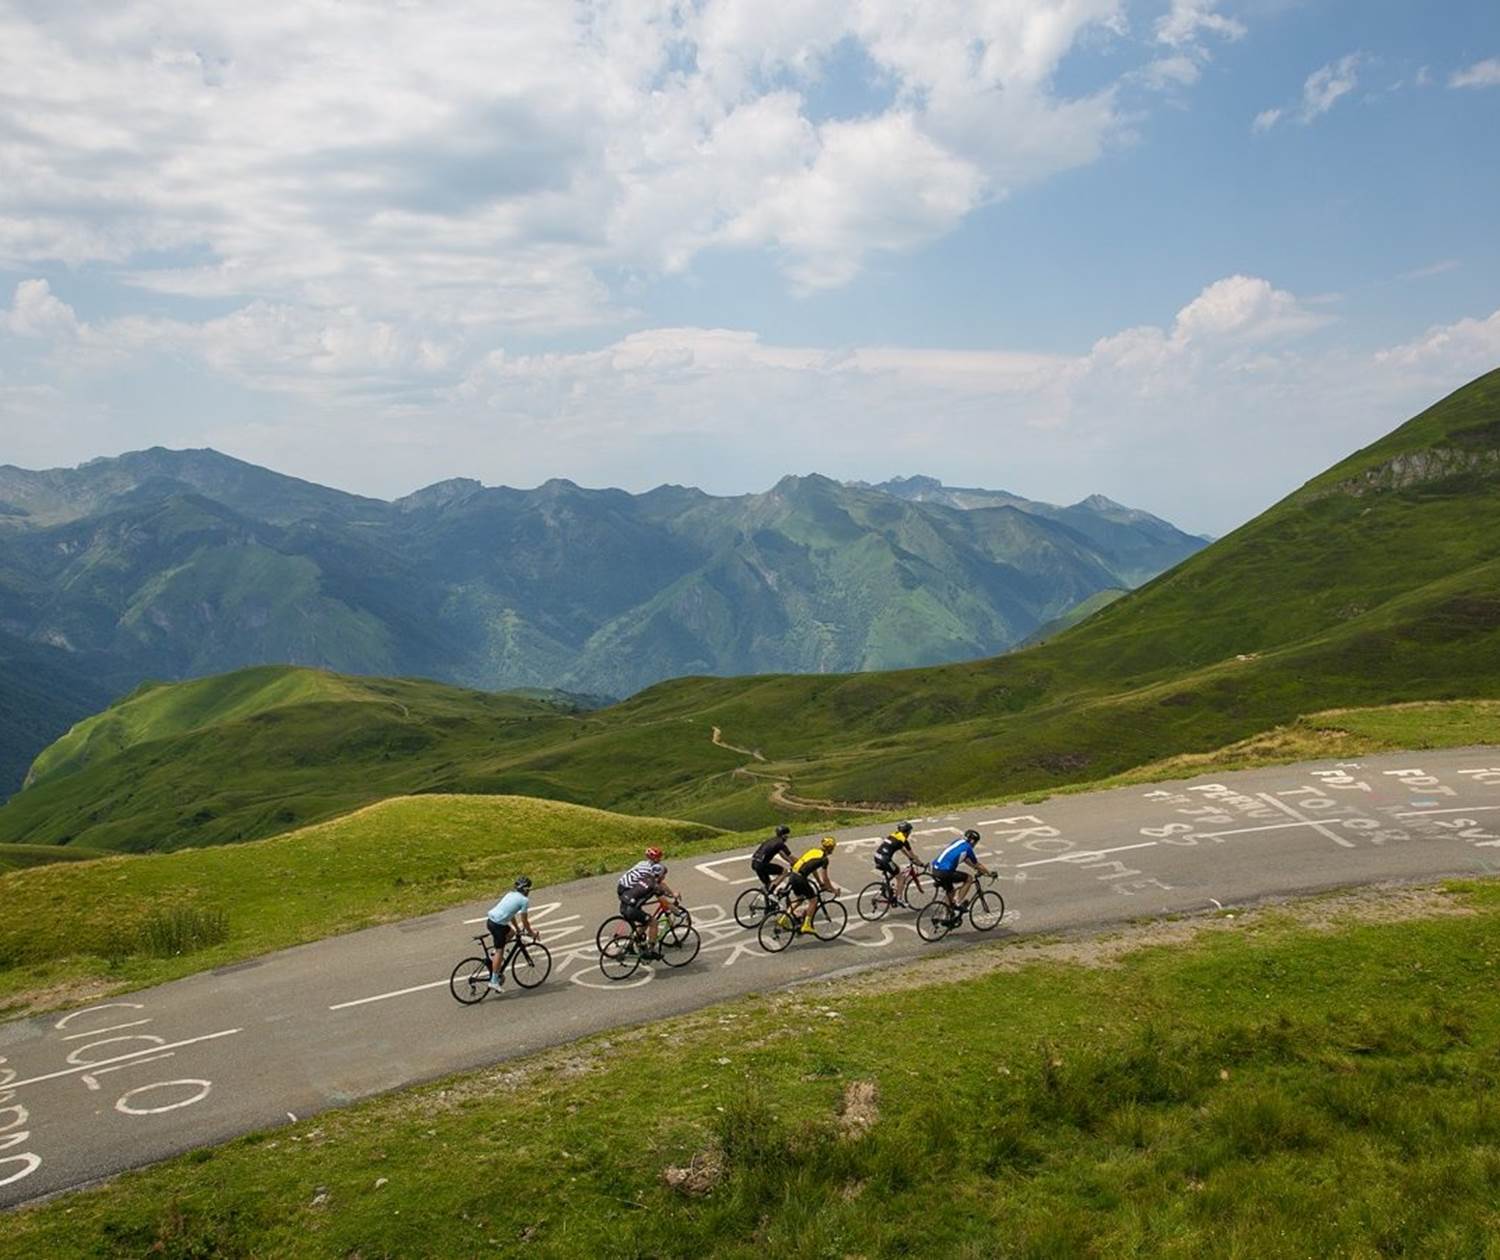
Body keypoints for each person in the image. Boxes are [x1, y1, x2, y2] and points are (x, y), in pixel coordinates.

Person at [616, 846, 680, 958]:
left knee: (644, 919)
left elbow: (657, 884)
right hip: (628, 893)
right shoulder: (651, 876)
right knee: (652, 921)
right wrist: (676, 910)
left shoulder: (643, 865)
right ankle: (650, 950)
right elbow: (662, 893)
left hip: (625, 895)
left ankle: (634, 943)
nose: (660, 859)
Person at [484, 875, 538, 992]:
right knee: (500, 951)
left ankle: (494, 955)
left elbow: (511, 914)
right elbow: (525, 921)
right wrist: (532, 933)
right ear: (525, 890)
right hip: (498, 925)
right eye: (529, 890)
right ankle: (494, 981)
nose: (529, 892)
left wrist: (517, 929)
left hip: (491, 921)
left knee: (511, 933)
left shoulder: (510, 894)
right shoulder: (524, 900)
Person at [930, 829, 992, 919]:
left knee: (950, 891)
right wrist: (989, 873)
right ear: (972, 841)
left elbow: (965, 859)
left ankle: (948, 914)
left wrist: (975, 868)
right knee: (969, 878)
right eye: (975, 843)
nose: (975, 845)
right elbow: (977, 864)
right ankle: (958, 903)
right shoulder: (968, 848)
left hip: (935, 869)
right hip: (945, 872)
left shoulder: (958, 842)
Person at [787, 836, 840, 934]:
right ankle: (806, 925)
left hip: (793, 875)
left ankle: (783, 919)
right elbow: (825, 879)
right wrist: (834, 890)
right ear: (830, 848)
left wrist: (819, 882)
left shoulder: (814, 851)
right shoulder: (824, 859)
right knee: (814, 900)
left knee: (800, 899)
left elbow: (812, 868)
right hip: (800, 878)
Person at [872, 821, 919, 905]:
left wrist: (909, 857)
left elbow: (902, 849)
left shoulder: (894, 835)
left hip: (877, 857)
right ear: (907, 832)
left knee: (895, 870)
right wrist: (920, 863)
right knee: (901, 877)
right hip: (885, 860)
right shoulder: (903, 840)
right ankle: (899, 899)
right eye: (909, 832)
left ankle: (886, 888)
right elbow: (912, 854)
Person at [750, 824, 794, 894]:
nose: (788, 837)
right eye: (787, 835)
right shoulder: (780, 843)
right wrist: (798, 862)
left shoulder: (771, 840)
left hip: (755, 863)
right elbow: (790, 856)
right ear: (784, 835)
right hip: (762, 865)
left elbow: (782, 854)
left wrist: (790, 862)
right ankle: (771, 888)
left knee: (768, 884)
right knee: (784, 871)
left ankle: (768, 895)